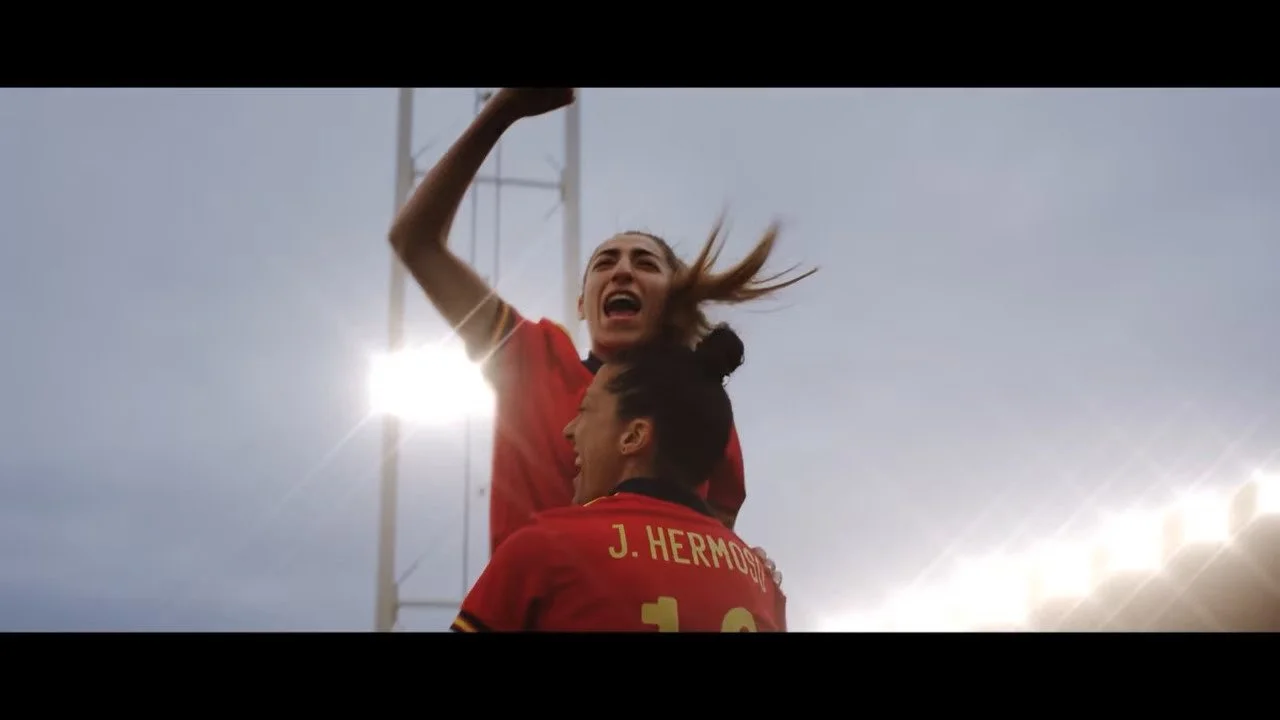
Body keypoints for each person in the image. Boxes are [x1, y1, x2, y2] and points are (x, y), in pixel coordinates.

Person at [387, 87, 813, 554]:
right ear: (581, 303)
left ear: (673, 300)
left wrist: (749, 567)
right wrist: (501, 111)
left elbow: (708, 551)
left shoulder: (702, 405)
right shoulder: (532, 360)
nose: (622, 270)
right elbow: (416, 241)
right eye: (605, 262)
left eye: (645, 263)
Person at [450, 324, 786, 631]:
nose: (570, 430)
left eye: (584, 410)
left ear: (633, 437)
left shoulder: (544, 548)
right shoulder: (762, 584)